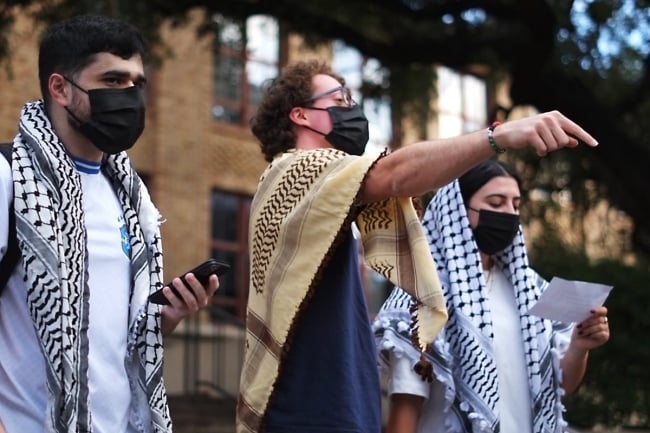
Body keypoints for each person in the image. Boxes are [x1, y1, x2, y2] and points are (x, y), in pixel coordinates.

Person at [236, 59, 599, 433]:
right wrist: (498, 137)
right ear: (301, 115)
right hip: (308, 408)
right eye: (340, 99)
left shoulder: (324, 196)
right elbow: (396, 175)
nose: (353, 110)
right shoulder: (292, 170)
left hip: (334, 405)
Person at [0, 15, 219, 433]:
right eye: (113, 81)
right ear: (60, 89)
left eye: (137, 83)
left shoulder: (132, 197)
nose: (130, 95)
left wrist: (164, 320)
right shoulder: (9, 176)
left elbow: (113, 336)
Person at [373, 159, 610, 433]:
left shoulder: (533, 291)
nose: (509, 214)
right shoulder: (421, 298)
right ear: (457, 211)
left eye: (516, 205)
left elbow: (559, 389)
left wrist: (580, 347)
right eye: (496, 203)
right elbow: (406, 407)